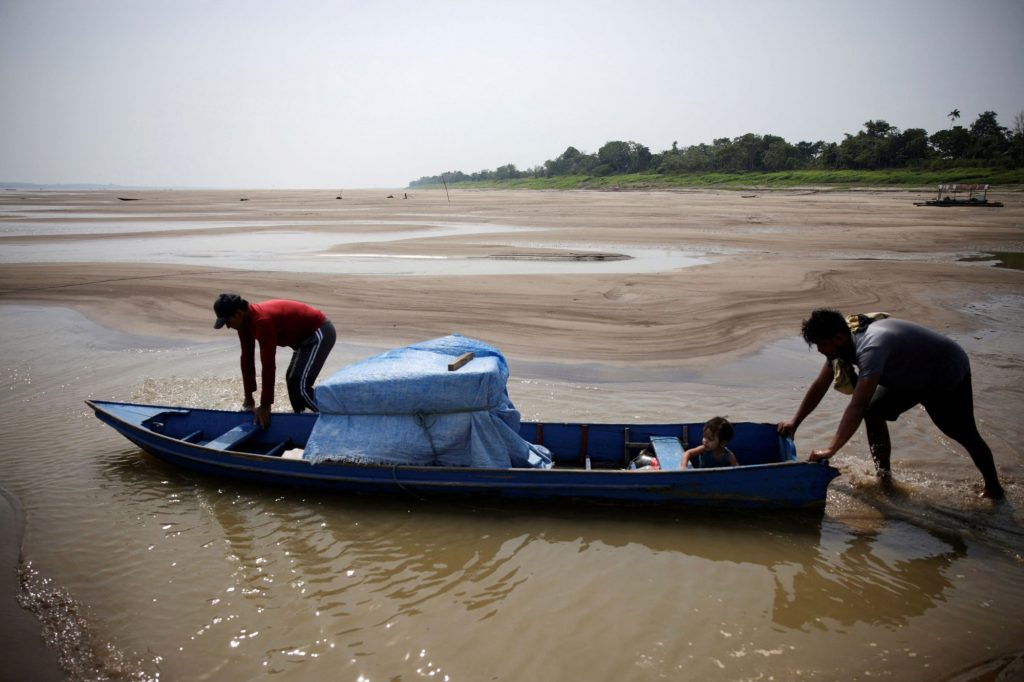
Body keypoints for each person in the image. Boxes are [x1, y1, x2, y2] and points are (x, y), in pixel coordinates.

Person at [778, 308, 1004, 499]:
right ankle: (884, 477)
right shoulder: (843, 344)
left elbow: (856, 405)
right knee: (873, 412)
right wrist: (795, 423)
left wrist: (831, 449)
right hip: (907, 375)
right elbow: (820, 385)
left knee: (963, 433)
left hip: (943, 373)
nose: (820, 350)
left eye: (822, 344)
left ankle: (994, 489)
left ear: (837, 339)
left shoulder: (870, 348)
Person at [213, 293, 336, 429]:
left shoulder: (261, 321)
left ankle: (336, 419)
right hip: (302, 340)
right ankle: (304, 420)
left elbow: (268, 365)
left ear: (238, 314)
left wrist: (265, 405)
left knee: (300, 386)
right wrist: (248, 398)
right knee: (291, 381)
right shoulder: (243, 324)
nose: (228, 327)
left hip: (319, 332)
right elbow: (247, 359)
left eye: (227, 322)